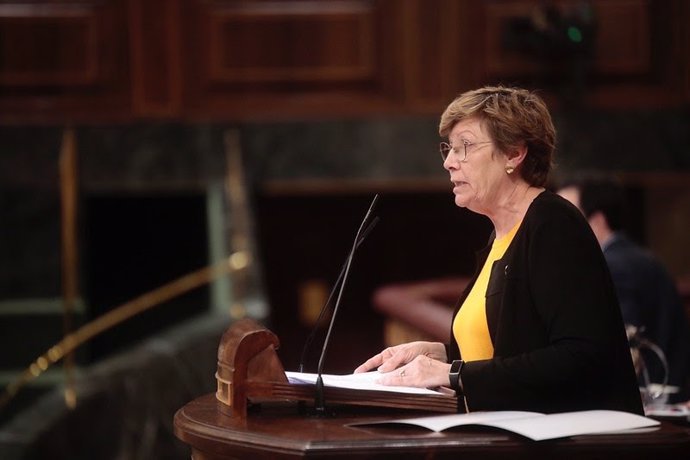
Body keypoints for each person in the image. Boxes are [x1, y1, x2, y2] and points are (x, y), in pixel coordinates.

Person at [354, 86, 643, 415]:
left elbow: (580, 355)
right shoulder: (499, 236)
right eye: (448, 148)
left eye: (464, 147)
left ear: (514, 154)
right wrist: (441, 354)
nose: (449, 162)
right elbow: (514, 350)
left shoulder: (553, 222)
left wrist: (453, 373)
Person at [558, 175, 690, 402]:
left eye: (568, 217)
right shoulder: (636, 257)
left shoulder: (614, 266)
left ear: (597, 220)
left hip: (651, 403)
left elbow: (624, 347)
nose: (558, 230)